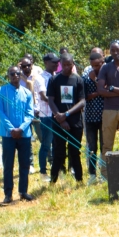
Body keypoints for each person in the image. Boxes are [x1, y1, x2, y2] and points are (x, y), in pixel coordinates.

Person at [0, 65, 35, 204]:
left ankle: (23, 191)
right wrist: (12, 129)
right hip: (8, 135)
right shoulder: (1, 91)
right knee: (8, 165)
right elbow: (1, 113)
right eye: (12, 74)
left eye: (17, 73)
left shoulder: (27, 93)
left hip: (24, 135)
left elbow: (30, 114)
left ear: (20, 75)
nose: (15, 76)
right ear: (8, 76)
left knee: (24, 164)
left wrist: (21, 129)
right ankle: (8, 194)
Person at [47, 53, 86, 184]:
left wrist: (67, 114)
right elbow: (51, 100)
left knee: (75, 151)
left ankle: (79, 180)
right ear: (60, 65)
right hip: (58, 121)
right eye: (64, 65)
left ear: (73, 64)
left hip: (75, 121)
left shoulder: (78, 79)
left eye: (70, 64)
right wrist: (61, 118)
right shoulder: (54, 80)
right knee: (59, 152)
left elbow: (82, 102)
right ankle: (53, 181)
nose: (67, 67)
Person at [83, 51, 105, 182]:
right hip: (90, 116)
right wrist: (99, 92)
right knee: (92, 147)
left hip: (104, 116)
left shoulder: (106, 75)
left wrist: (97, 82)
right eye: (93, 66)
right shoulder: (86, 77)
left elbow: (106, 92)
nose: (95, 68)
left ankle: (104, 173)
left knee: (104, 146)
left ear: (102, 63)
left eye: (97, 65)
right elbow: (86, 96)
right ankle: (92, 174)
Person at [34, 52, 56, 180]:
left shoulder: (56, 76)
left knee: (57, 143)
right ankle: (43, 172)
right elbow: (44, 96)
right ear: (46, 63)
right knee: (46, 144)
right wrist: (58, 101)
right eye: (53, 62)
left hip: (56, 114)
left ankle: (57, 168)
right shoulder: (41, 78)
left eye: (57, 62)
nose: (56, 64)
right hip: (46, 115)